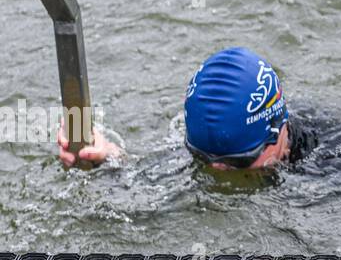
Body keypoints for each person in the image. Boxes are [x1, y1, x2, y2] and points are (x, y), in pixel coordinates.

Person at [58, 46, 320, 170]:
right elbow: (143, 177)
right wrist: (106, 157)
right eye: (200, 157)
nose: (216, 169)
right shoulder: (206, 150)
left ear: (278, 132)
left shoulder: (335, 166)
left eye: (238, 161)